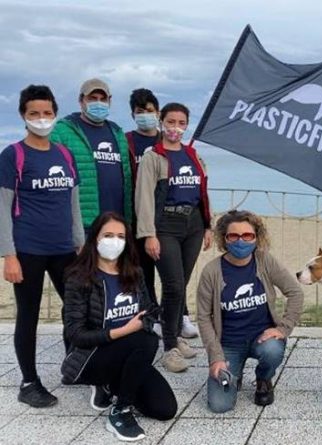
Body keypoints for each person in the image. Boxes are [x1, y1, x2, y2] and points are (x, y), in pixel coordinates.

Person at [0, 85, 84, 407]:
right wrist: (9, 255)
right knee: (29, 316)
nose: (41, 119)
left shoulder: (64, 154)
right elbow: (3, 208)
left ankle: (72, 365)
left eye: (47, 113)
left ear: (55, 114)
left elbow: (73, 204)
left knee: (75, 309)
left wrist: (81, 245)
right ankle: (29, 382)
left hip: (65, 249)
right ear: (24, 115)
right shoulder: (14, 155)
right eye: (34, 113)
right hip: (28, 250)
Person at [62, 212, 177, 442]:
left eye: (120, 236)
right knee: (148, 340)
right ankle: (120, 410)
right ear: (95, 238)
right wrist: (123, 331)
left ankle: (110, 384)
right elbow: (74, 334)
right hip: (91, 357)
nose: (114, 241)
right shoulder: (79, 277)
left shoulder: (134, 273)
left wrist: (147, 319)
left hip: (128, 354)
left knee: (165, 409)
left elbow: (150, 311)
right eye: (108, 235)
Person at [197, 210, 304, 412]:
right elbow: (203, 317)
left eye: (247, 235)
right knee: (220, 405)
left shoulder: (265, 261)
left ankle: (264, 378)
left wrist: (283, 329)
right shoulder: (211, 271)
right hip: (229, 344)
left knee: (272, 350)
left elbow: (295, 293)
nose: (241, 241)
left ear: (257, 237)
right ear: (224, 238)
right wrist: (216, 357)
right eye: (233, 236)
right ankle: (234, 374)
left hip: (261, 339)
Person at [136, 102, 213, 372]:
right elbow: (144, 197)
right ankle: (169, 348)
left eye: (181, 123)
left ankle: (175, 337)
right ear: (161, 122)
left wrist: (207, 225)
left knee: (182, 284)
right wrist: (148, 234)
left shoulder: (192, 154)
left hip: (192, 224)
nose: (175, 128)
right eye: (171, 122)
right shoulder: (153, 156)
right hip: (165, 224)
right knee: (174, 286)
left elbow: (202, 189)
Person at [50, 78, 133, 231]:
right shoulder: (62, 131)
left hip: (117, 222)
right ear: (81, 101)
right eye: (92, 99)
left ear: (110, 101)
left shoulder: (117, 133)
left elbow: (126, 177)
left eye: (103, 99)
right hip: (84, 224)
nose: (98, 103)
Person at [124, 88, 161, 308]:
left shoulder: (165, 140)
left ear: (157, 112)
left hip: (164, 214)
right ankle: (151, 309)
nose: (145, 114)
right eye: (140, 111)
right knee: (143, 268)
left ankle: (179, 313)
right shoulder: (126, 141)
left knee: (171, 271)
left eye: (149, 110)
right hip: (137, 214)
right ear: (133, 114)